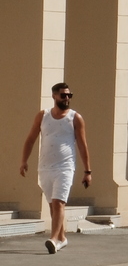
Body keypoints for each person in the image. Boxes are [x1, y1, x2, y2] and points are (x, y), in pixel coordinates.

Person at [18, 81, 91, 254]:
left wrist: (87, 171)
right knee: (53, 206)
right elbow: (30, 139)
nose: (67, 98)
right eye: (63, 95)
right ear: (54, 96)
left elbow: (82, 145)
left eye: (69, 95)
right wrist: (24, 161)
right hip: (45, 168)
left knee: (59, 203)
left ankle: (53, 239)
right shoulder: (42, 116)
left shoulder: (75, 118)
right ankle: (62, 238)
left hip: (65, 167)